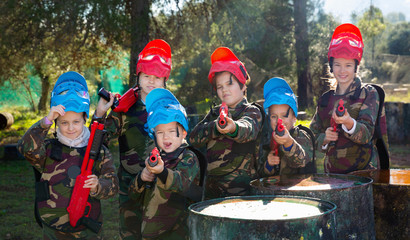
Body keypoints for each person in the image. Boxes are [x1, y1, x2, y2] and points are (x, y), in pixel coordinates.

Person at [17, 71, 119, 239]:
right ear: (56, 123)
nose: (70, 128)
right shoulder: (48, 149)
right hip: (53, 230)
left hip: (87, 229)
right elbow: (25, 148)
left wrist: (97, 185)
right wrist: (45, 121)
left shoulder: (98, 150)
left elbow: (113, 185)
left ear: (85, 119)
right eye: (64, 122)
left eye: (76, 122)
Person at [92, 39, 172, 239]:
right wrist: (100, 114)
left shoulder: (171, 108)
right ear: (138, 77)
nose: (151, 81)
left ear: (165, 81)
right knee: (131, 233)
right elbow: (98, 140)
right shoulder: (125, 111)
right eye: (146, 75)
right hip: (130, 185)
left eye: (156, 77)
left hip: (162, 185)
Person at [189, 47, 263, 199]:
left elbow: (248, 129)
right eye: (220, 87)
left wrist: (233, 127)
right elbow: (194, 138)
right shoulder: (214, 114)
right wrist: (215, 127)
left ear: (243, 86)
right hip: (212, 192)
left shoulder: (252, 111)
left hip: (242, 192)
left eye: (230, 84)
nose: (224, 90)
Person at [128, 88, 201, 239]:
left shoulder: (188, 157)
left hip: (177, 233)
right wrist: (142, 178)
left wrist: (161, 172)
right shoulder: (155, 158)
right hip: (149, 232)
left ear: (183, 133)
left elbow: (181, 184)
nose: (166, 137)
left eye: (171, 131)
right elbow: (133, 195)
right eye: (160, 132)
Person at [310, 23, 381, 174]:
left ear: (356, 67)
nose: (342, 71)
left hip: (364, 174)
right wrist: (325, 138)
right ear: (331, 66)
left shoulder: (367, 94)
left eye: (348, 65)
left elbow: (367, 134)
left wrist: (348, 122)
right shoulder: (325, 100)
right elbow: (311, 137)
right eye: (337, 65)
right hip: (333, 175)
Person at [259, 77, 316, 176]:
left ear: (294, 118)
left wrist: (288, 142)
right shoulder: (267, 139)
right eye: (274, 116)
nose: (279, 121)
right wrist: (269, 164)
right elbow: (261, 174)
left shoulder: (302, 135)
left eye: (284, 115)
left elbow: (301, 161)